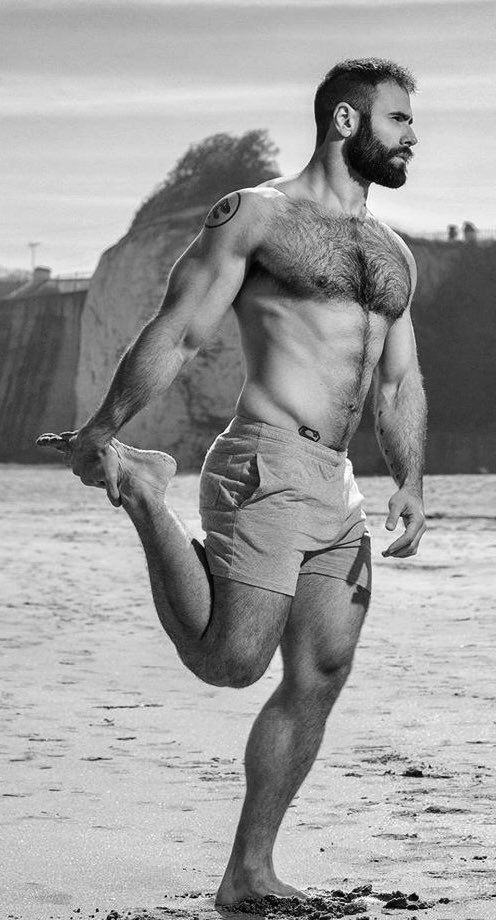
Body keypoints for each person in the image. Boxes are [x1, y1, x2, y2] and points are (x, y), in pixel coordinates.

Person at [38, 57, 427, 906]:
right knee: (232, 661)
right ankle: (146, 491)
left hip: (337, 483)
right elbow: (180, 329)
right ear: (346, 121)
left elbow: (397, 380)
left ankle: (249, 872)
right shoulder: (257, 215)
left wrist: (410, 479)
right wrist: (104, 427)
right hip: (265, 460)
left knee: (321, 669)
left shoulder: (392, 253)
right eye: (398, 118)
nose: (411, 135)